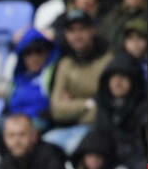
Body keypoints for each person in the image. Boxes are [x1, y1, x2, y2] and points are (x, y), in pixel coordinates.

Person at [43, 9, 114, 155]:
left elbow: (106, 107)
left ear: (92, 30)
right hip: (68, 128)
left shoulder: (108, 60)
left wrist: (72, 105)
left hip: (99, 129)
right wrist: (88, 103)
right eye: (71, 31)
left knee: (75, 148)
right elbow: (56, 110)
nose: (77, 36)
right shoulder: (65, 63)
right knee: (45, 145)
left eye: (82, 29)